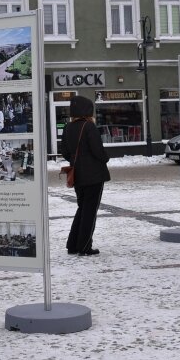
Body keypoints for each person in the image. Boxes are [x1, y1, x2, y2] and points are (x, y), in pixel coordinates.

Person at [61, 95, 111, 256]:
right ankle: (84, 246)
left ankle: (72, 244)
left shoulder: (68, 127)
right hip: (94, 176)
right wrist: (105, 158)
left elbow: (65, 151)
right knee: (89, 211)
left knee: (82, 208)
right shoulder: (89, 127)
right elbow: (98, 151)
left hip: (78, 176)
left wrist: (76, 160)